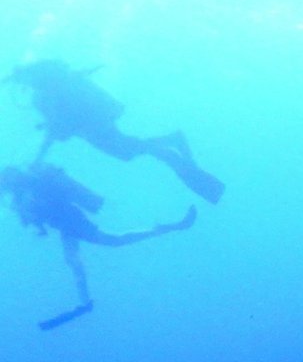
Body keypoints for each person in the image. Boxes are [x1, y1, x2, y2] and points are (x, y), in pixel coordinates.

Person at [1, 163, 196, 330]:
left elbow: (49, 200)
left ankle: (168, 228)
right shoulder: (23, 194)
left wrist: (33, 213)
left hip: (71, 219)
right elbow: (36, 220)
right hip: (64, 225)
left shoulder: (34, 183)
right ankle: (85, 303)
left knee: (110, 242)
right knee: (79, 258)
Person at [6, 59, 225, 205]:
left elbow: (55, 130)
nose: (23, 85)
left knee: (128, 151)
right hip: (95, 121)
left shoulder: (45, 95)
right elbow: (57, 126)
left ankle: (172, 140)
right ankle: (170, 151)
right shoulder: (51, 90)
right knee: (129, 150)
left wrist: (39, 156)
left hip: (92, 126)